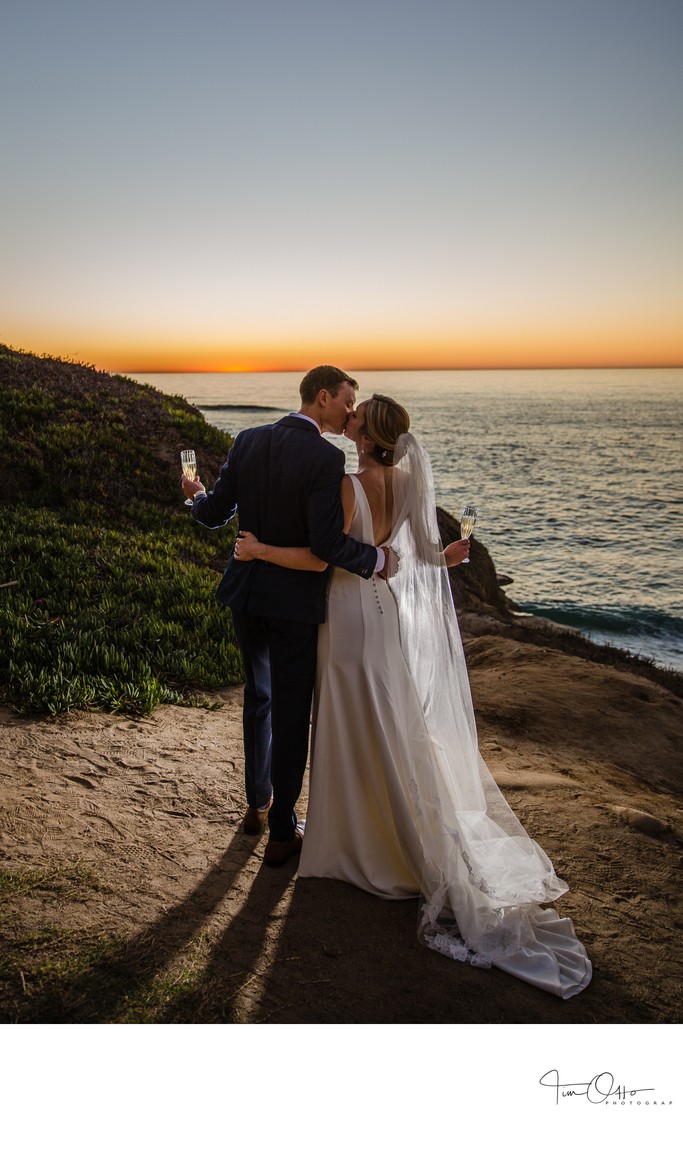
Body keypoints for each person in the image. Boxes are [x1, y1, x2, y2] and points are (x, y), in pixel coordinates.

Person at [234, 394, 592, 998]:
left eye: (356, 413)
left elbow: (326, 553)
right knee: (386, 718)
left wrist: (262, 550)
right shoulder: (406, 482)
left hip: (345, 614)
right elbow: (424, 552)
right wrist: (449, 557)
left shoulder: (346, 482)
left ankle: (347, 839)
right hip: (384, 612)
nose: (348, 415)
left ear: (366, 433)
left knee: (347, 720)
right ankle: (384, 825)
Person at [181, 366, 385, 867]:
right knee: (293, 712)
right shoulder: (325, 456)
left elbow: (212, 514)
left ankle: (257, 803)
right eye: (347, 402)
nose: (351, 412)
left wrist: (194, 494)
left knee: (259, 696)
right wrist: (376, 562)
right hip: (294, 602)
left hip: (246, 593)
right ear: (322, 397)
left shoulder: (247, 440)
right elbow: (324, 544)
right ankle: (280, 831)